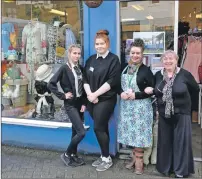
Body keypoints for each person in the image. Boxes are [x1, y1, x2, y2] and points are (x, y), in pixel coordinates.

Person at [144, 50, 199, 178]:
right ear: (162, 61)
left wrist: (189, 106)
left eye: (171, 59)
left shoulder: (185, 75)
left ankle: (180, 170)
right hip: (164, 114)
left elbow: (195, 89)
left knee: (181, 142)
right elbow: (155, 91)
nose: (168, 61)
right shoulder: (158, 75)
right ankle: (166, 168)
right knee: (165, 142)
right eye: (165, 59)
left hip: (182, 113)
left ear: (176, 60)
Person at [83, 30, 121, 172]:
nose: (99, 46)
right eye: (97, 44)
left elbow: (112, 81)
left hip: (105, 100)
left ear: (107, 44)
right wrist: (90, 95)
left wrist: (96, 94)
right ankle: (104, 155)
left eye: (102, 43)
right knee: (102, 127)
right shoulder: (91, 59)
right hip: (91, 99)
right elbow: (85, 78)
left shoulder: (113, 59)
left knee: (98, 127)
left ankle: (106, 157)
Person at [117, 38, 154, 175]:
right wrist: (121, 93)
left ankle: (139, 163)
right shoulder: (124, 68)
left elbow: (152, 91)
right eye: (133, 53)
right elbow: (117, 85)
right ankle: (134, 159)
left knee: (139, 135)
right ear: (129, 53)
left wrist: (136, 95)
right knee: (131, 135)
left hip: (141, 109)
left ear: (142, 54)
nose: (135, 55)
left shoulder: (146, 71)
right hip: (127, 108)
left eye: (138, 53)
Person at [48, 44, 86, 167]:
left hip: (80, 103)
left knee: (75, 132)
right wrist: (63, 95)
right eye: (74, 53)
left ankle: (73, 155)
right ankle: (67, 154)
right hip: (70, 104)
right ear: (69, 54)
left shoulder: (80, 68)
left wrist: (84, 103)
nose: (77, 55)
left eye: (79, 53)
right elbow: (51, 84)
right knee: (81, 132)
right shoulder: (64, 68)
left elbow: (84, 87)